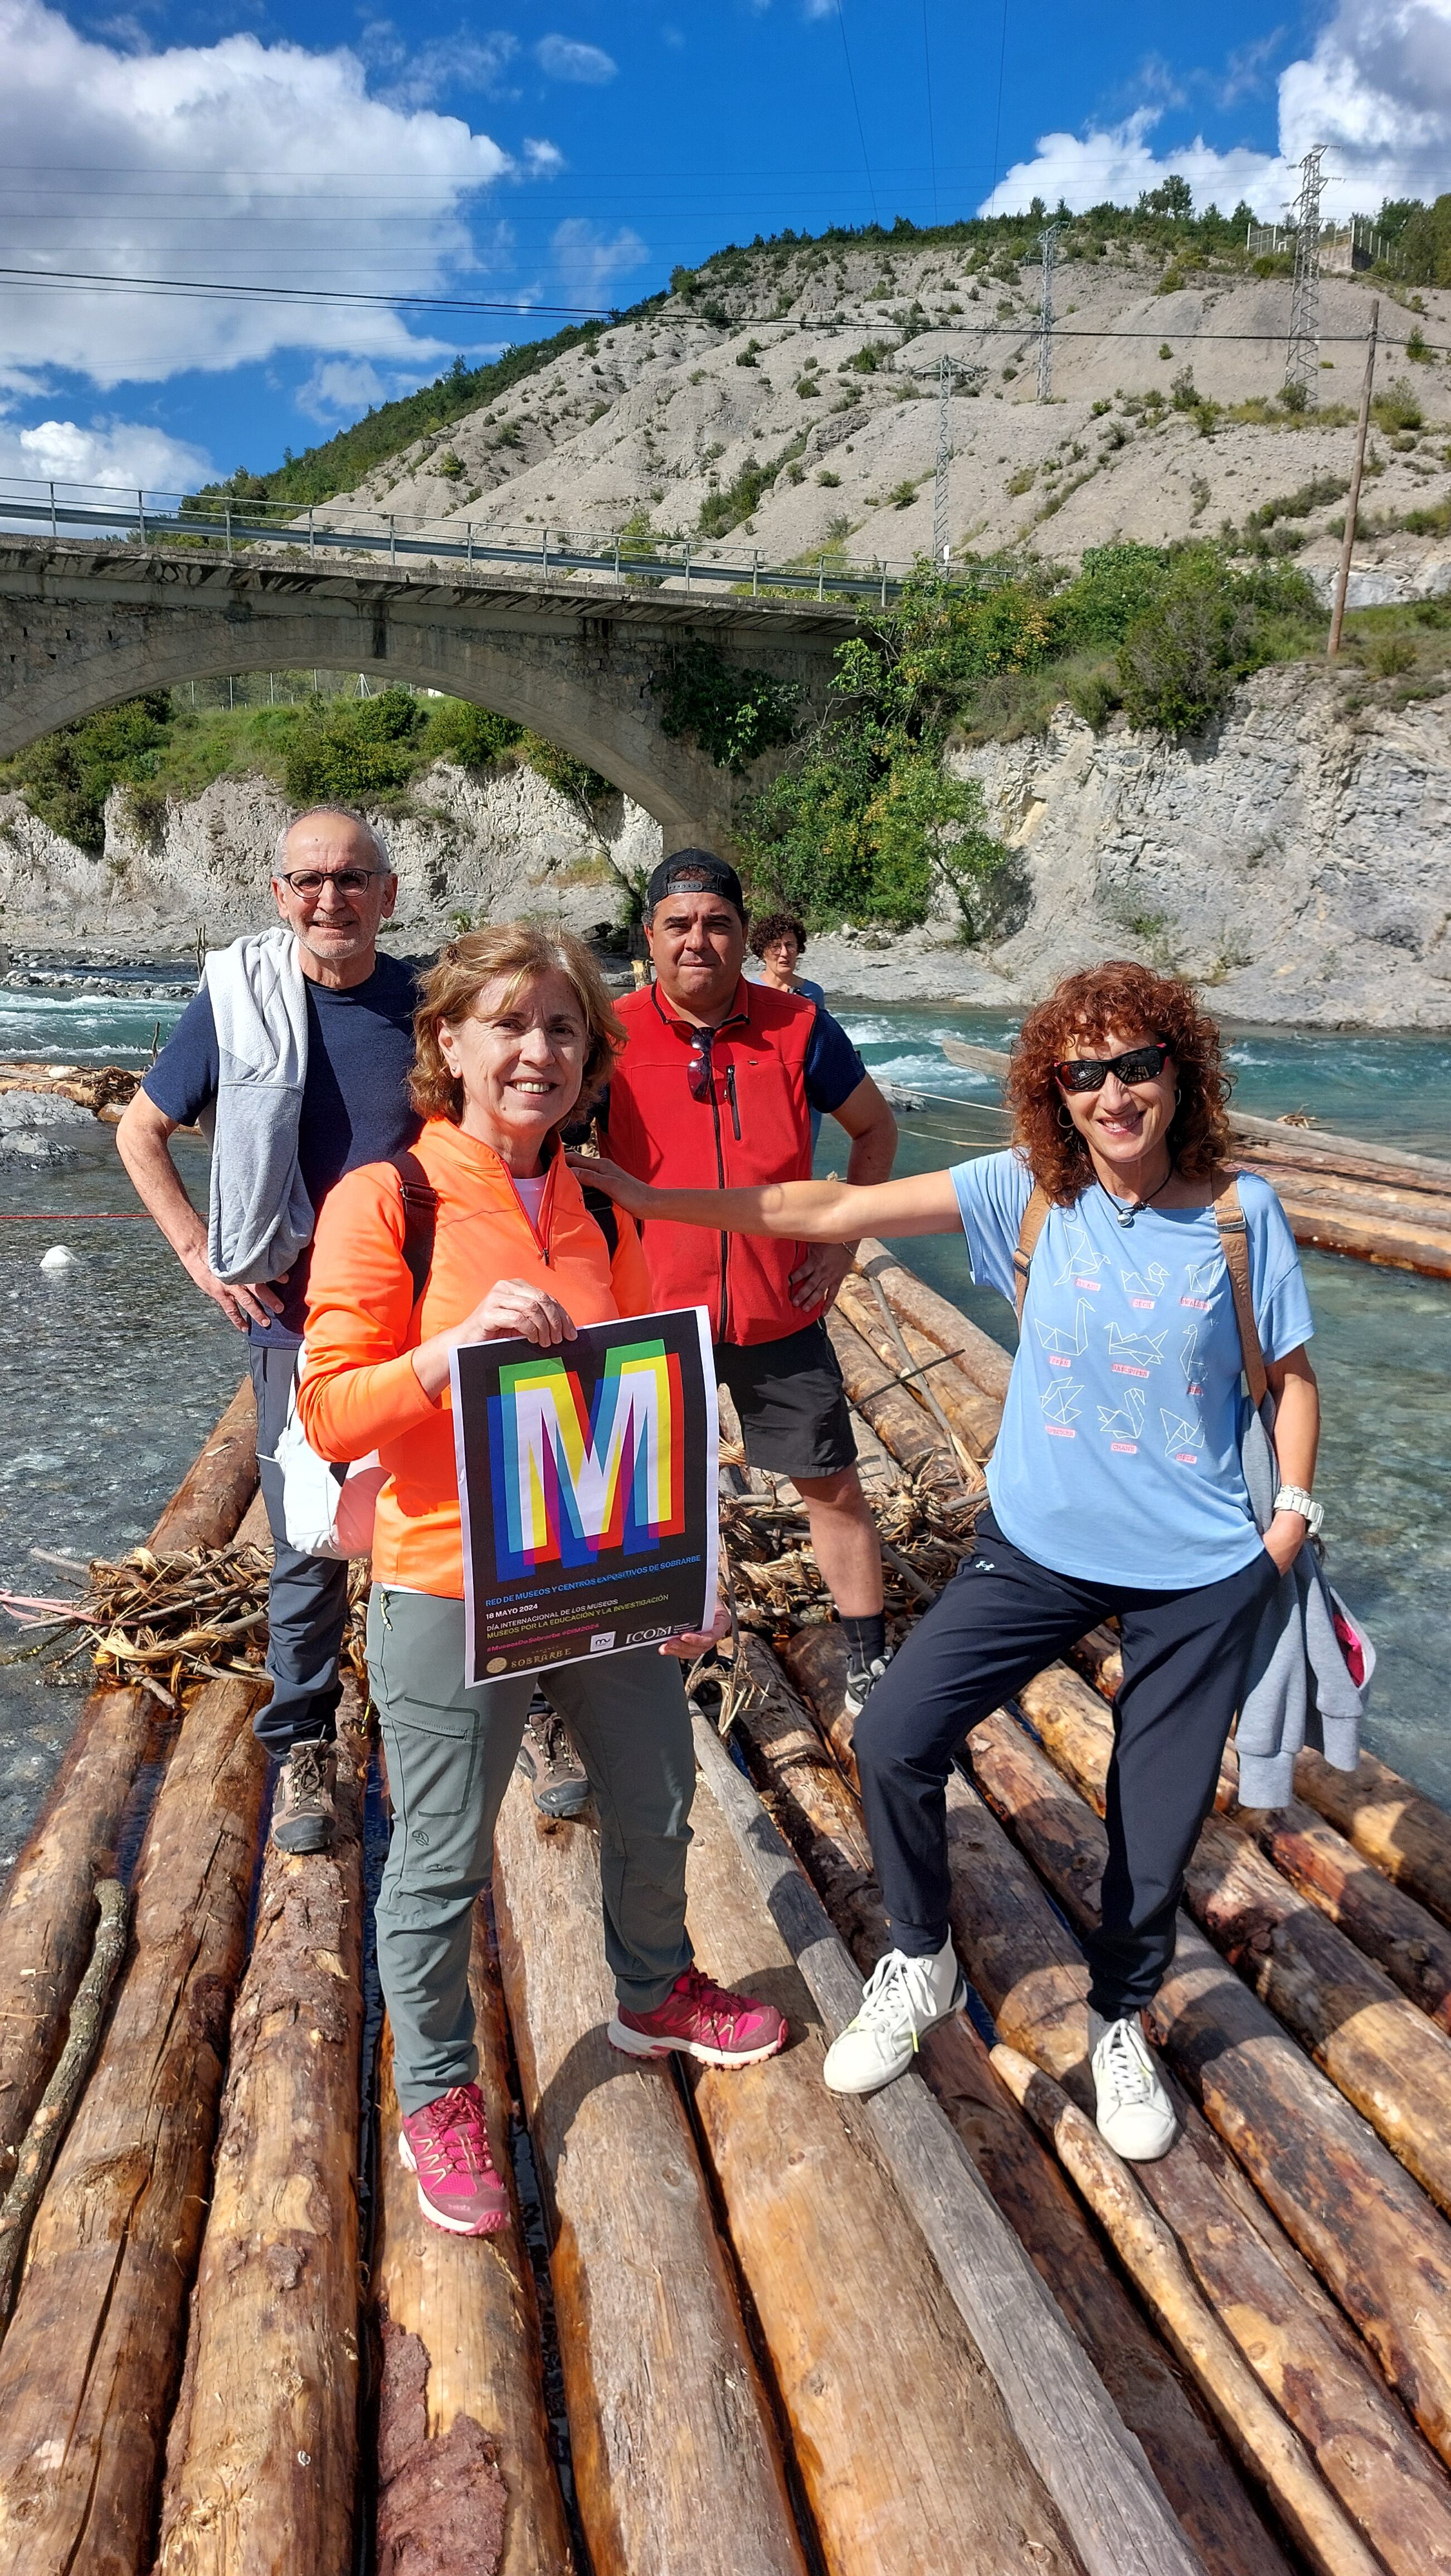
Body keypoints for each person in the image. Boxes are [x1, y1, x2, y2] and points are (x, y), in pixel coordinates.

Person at [575, 959, 1320, 2160]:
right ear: (1055, 1091)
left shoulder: (1241, 1213)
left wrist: (1284, 1524)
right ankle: (919, 1960)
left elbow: (1288, 1377)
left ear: (1179, 1072)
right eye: (1086, 1072)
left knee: (1156, 1807)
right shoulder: (1025, 1190)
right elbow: (817, 1207)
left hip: (1199, 1568)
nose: (1114, 1092)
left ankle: (1121, 2017)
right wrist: (642, 1196)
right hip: (1036, 1550)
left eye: (1138, 1063)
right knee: (897, 1731)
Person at [296, 924, 786, 2236]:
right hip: (449, 1577)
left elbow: (647, 1388)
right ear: (447, 1042)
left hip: (603, 1556)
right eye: (508, 1023)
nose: (538, 1051)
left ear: (589, 1056)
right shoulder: (384, 1201)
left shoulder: (603, 1200)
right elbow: (334, 1409)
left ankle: (652, 1986)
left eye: (563, 1028)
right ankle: (441, 2095)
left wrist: (700, 1558)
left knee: (656, 1791)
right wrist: (451, 1348)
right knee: (442, 1859)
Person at [116, 808, 420, 1855]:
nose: (328, 897)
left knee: (460, 1516)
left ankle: (509, 1711)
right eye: (307, 880)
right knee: (307, 1541)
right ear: (279, 894)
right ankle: (304, 1734)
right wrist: (201, 1255)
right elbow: (139, 1129)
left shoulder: (433, 1003)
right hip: (296, 1320)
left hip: (429, 1318)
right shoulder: (240, 1000)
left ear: (388, 892)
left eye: (349, 878)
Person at [600, 850, 900, 1720]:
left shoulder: (798, 1028)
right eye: (680, 925)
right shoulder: (608, 1033)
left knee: (832, 1482)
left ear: (742, 935)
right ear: (651, 938)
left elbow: (874, 1130)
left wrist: (842, 1245)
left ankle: (868, 1658)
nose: (700, 940)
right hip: (654, 1315)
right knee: (648, 1499)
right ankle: (651, 1654)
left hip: (780, 1314)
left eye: (718, 924)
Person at [748, 909, 827, 1152]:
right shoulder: (747, 989)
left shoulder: (814, 993)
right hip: (759, 1087)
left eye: (790, 945)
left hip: (803, 1089)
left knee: (802, 1156)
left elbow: (820, 1046)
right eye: (775, 946)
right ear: (763, 951)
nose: (784, 953)